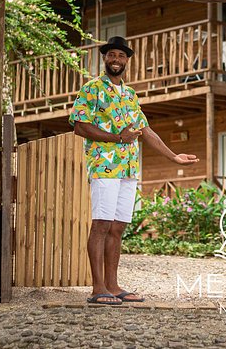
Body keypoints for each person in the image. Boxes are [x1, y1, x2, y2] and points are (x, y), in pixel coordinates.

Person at [69, 35, 199, 305]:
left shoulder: (130, 95)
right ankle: (97, 288)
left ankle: (113, 286)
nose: (116, 59)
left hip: (128, 169)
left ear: (127, 60)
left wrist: (174, 157)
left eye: (121, 55)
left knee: (118, 227)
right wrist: (118, 138)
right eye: (111, 55)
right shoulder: (92, 89)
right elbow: (80, 126)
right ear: (105, 58)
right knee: (101, 225)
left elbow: (145, 131)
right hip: (105, 166)